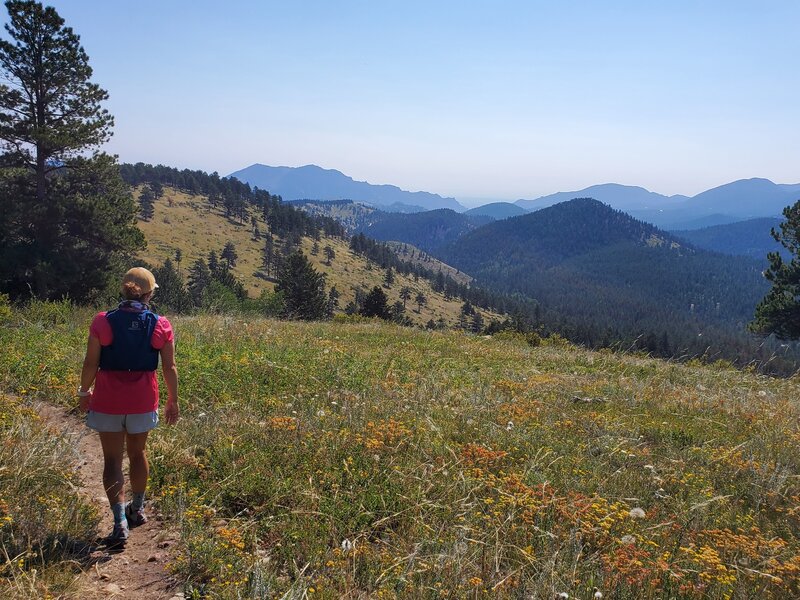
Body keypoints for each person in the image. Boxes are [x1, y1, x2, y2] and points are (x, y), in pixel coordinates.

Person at [77, 267, 179, 545]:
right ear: (149, 294)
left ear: (123, 290)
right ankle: (138, 508)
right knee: (138, 453)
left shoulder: (103, 321)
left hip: (108, 400)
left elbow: (90, 363)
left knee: (112, 460)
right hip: (143, 400)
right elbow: (169, 367)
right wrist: (173, 400)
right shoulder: (160, 324)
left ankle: (119, 521)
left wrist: (84, 391)